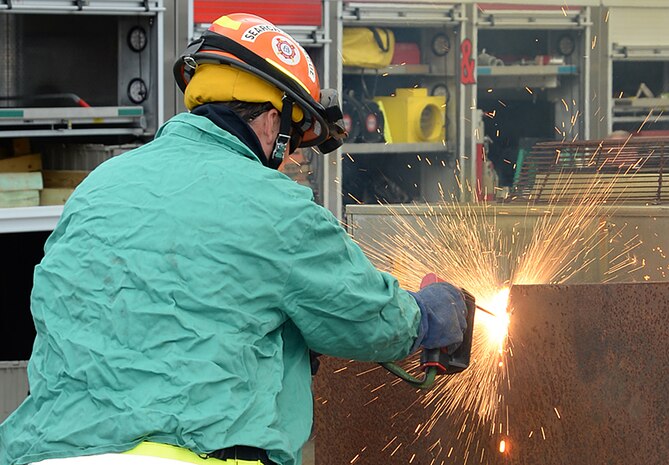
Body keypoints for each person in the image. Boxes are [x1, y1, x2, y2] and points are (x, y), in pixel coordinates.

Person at [0, 13, 467, 465]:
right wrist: (428, 314)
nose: (290, 160)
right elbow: (370, 319)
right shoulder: (275, 205)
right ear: (270, 120)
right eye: (294, 139)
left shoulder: (98, 186)